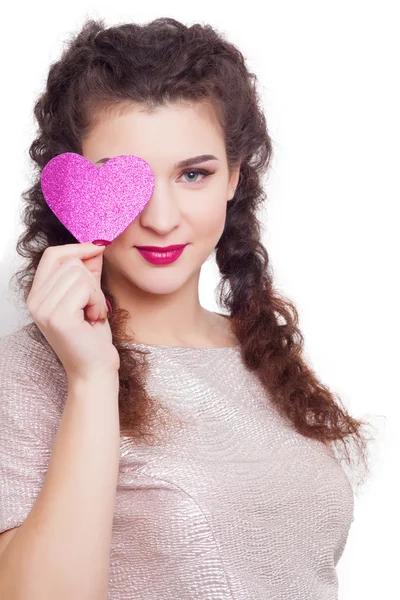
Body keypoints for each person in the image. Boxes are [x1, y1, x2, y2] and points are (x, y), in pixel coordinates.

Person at [0, 16, 373, 599]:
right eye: (127, 181)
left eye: (193, 174)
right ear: (75, 193)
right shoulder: (25, 374)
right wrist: (93, 376)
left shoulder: (262, 355)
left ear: (232, 178)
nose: (161, 217)